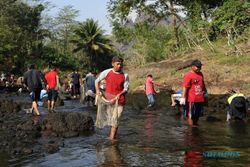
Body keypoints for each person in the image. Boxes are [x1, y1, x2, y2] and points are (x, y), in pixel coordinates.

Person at [95, 56, 129, 140]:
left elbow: (126, 89)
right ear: (112, 64)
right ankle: (113, 136)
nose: (119, 66)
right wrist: (97, 91)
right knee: (111, 120)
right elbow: (97, 81)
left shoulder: (125, 75)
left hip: (120, 101)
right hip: (109, 101)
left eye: (121, 64)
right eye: (117, 64)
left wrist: (119, 94)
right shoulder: (107, 72)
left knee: (115, 120)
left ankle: (111, 138)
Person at [180, 59, 207, 126]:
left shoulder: (200, 74)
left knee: (197, 115)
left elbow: (202, 83)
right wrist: (183, 97)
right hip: (191, 99)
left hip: (200, 98)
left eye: (200, 67)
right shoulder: (188, 75)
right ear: (192, 66)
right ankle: (191, 130)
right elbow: (185, 87)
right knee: (190, 116)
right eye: (198, 67)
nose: (199, 68)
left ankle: (195, 126)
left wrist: (205, 92)